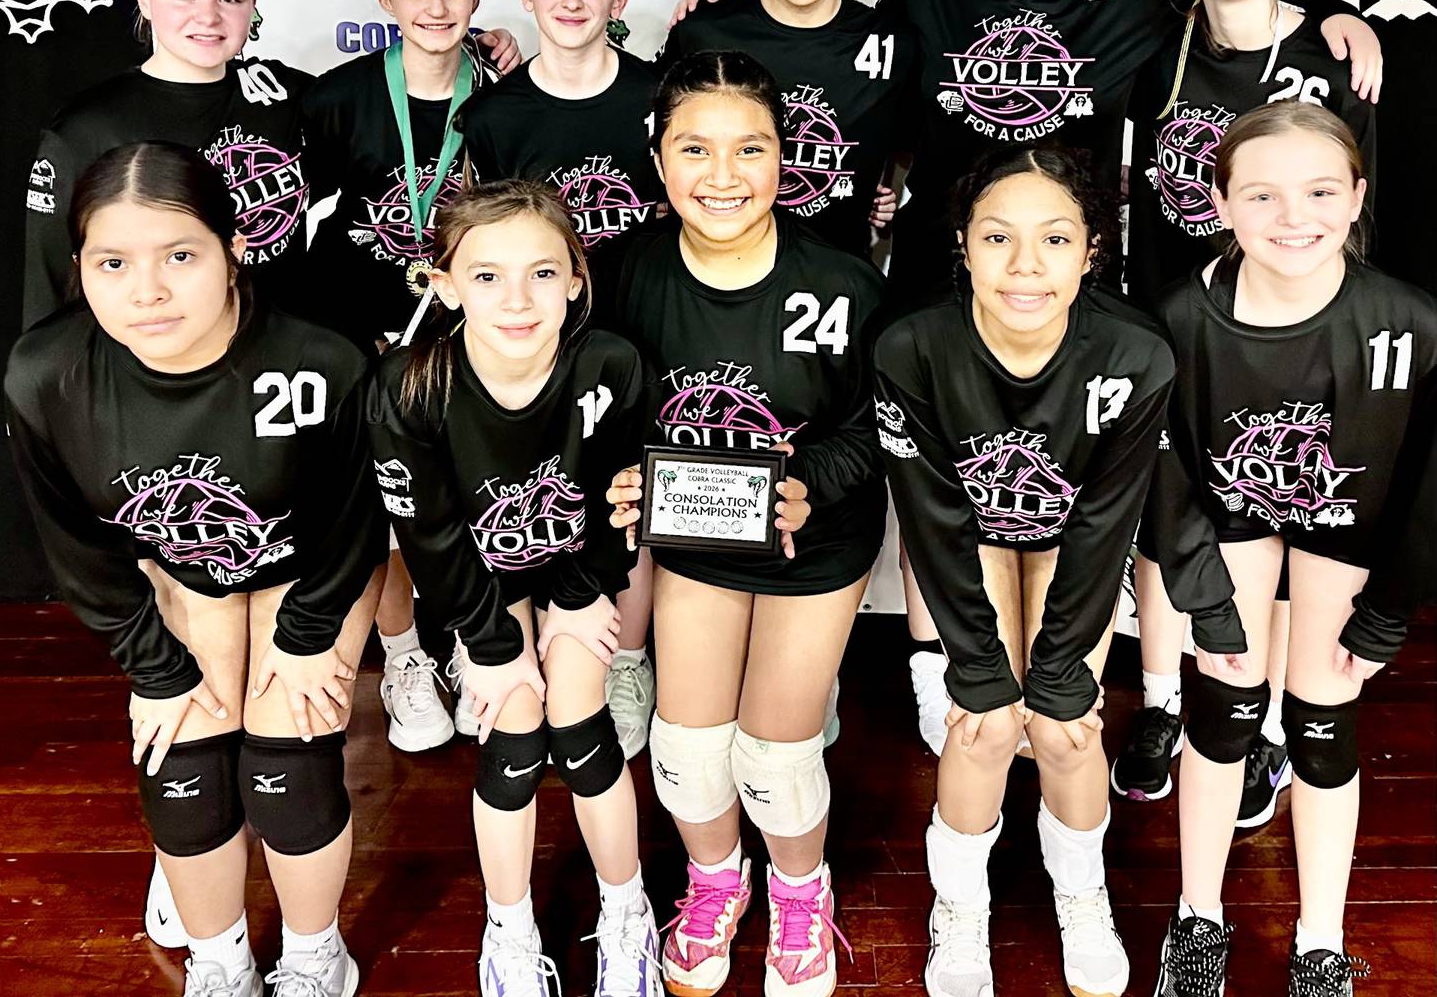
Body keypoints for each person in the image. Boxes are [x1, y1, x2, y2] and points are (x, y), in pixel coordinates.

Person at [670, 0, 1380, 752]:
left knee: (1051, 476)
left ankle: (1059, 668)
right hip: (942, 273)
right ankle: (939, 665)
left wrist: (1330, 17)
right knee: (935, 473)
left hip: (1063, 278)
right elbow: (826, 31)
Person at [4, 142, 387, 997]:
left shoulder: (323, 357)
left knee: (287, 756)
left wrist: (308, 636)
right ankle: (221, 962)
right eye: (113, 262)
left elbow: (354, 518)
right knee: (184, 760)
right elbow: (77, 547)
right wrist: (155, 667)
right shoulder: (47, 374)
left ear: (234, 249)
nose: (147, 290)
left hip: (310, 568)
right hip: (182, 570)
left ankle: (315, 955)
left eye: (180, 255)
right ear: (79, 266)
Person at [606, 51, 886, 997]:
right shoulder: (624, 274)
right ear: (657, 158)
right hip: (698, 542)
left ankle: (803, 889)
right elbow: (598, 408)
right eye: (695, 148)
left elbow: (880, 426)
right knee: (687, 750)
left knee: (774, 755)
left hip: (818, 543)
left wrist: (810, 481)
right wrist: (618, 480)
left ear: (783, 155)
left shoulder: (842, 281)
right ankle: (716, 879)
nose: (722, 175)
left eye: (750, 148)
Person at [1148, 103, 1436, 997]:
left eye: (1318, 192)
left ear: (1356, 196)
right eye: (1261, 194)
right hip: (1231, 516)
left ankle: (1320, 940)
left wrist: (1388, 611)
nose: (1292, 216)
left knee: (1322, 724)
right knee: (1223, 709)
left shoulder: (1410, 320)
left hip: (1347, 523)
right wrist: (1205, 601)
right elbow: (1165, 473)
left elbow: (1427, 487)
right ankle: (1198, 919)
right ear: (1220, 203)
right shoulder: (1179, 317)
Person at [874, 144, 1173, 997]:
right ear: (963, 244)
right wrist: (978, 667)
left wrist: (1062, 671)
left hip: (1069, 540)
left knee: (1065, 726)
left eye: (1055, 239)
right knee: (983, 724)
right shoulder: (912, 347)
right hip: (971, 534)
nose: (1025, 265)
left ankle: (1083, 894)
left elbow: (1107, 523)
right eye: (998, 237)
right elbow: (933, 520)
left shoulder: (1136, 353)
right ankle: (960, 905)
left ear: (1091, 251)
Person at [1114, 0, 1376, 828]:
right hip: (1173, 321)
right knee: (1167, 506)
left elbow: (1356, 205)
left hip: (1286, 328)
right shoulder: (1155, 45)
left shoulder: (1332, 54)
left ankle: (1256, 715)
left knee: (1271, 505)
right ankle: (1161, 700)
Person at [366, 179, 659, 997]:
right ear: (446, 284)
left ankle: (627, 910)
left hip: (575, 571)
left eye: (542, 272)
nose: (517, 298)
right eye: (487, 275)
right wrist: (493, 647)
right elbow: (430, 538)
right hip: (478, 584)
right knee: (515, 728)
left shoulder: (611, 364)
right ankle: (510, 927)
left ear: (575, 278)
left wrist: (580, 594)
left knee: (580, 719)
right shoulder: (409, 385)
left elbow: (620, 499)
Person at [302, 0, 515, 757]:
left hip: (468, 330)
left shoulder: (501, 94)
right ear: (385, 0)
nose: (436, 7)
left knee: (467, 491)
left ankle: (469, 637)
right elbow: (291, 217)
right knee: (378, 502)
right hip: (361, 331)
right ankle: (402, 656)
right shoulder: (338, 98)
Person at [459, 0, 663, 757]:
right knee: (535, 489)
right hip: (535, 343)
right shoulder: (493, 114)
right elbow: (482, 234)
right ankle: (515, 645)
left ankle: (628, 657)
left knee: (631, 494)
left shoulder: (658, 96)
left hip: (643, 330)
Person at [23, 0, 312, 326]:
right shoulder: (88, 127)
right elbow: (49, 286)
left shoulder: (291, 96)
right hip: (153, 354)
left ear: (252, 4)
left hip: (283, 349)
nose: (208, 17)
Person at [656, 0, 910, 257]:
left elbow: (925, 144)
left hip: (835, 273)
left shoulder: (890, 40)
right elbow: (656, 139)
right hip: (712, 266)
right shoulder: (705, 31)